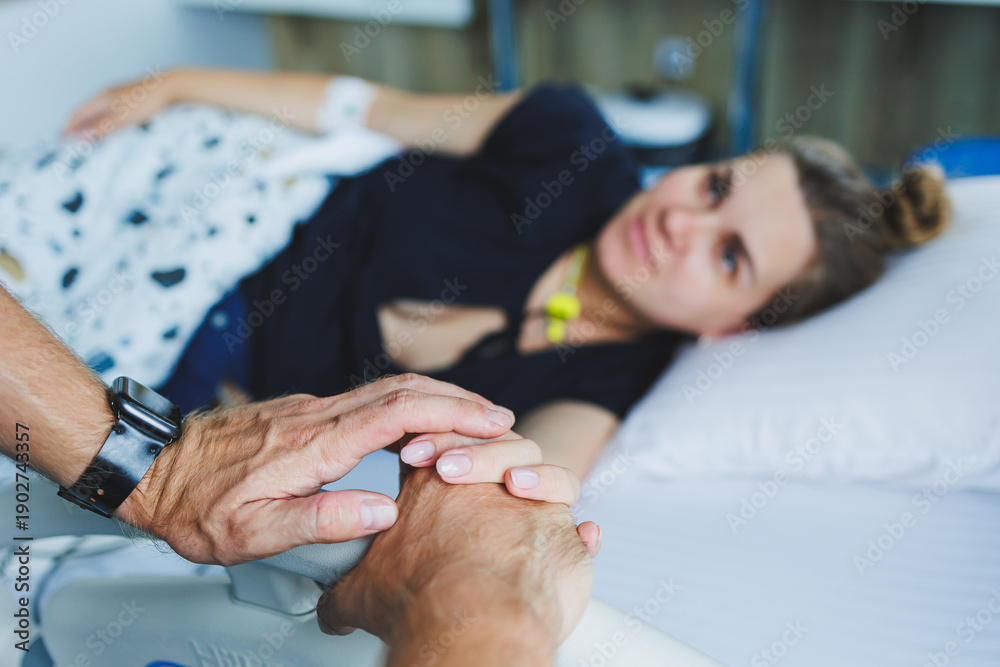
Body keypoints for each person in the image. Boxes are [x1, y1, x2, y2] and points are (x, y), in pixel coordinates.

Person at [55, 68, 950, 483]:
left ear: (736, 324)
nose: (681, 217)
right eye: (716, 185)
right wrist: (175, 84)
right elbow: (363, 107)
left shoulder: (611, 380)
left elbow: (534, 478)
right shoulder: (570, 140)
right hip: (237, 202)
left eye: (729, 255)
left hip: (199, 374)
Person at [0, 282, 601, 664]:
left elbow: (540, 460)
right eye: (703, 187)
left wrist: (493, 502)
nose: (687, 230)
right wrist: (479, 591)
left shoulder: (607, 376)